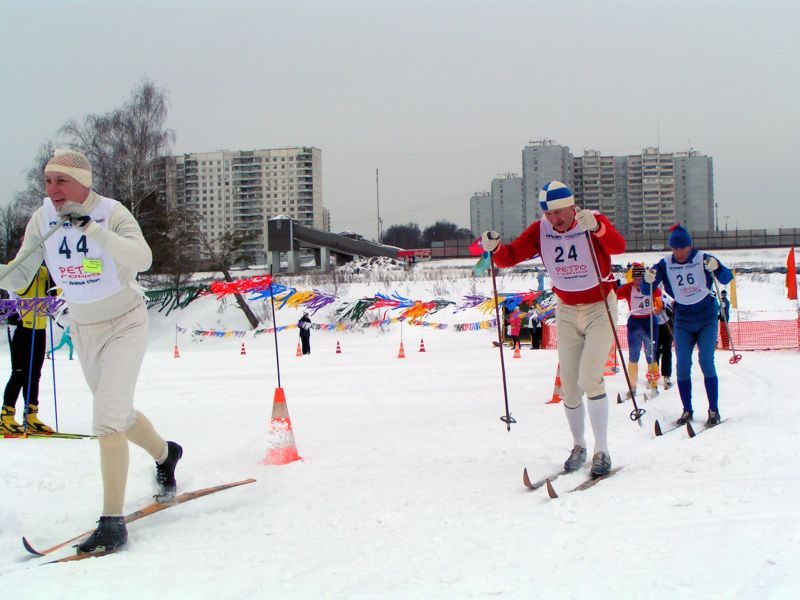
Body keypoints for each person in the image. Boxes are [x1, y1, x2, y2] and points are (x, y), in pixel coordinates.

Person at [0, 149, 182, 554]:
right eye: (47, 182)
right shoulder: (42, 218)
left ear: (83, 182)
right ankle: (167, 454)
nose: (52, 190)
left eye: (60, 181)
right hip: (84, 327)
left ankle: (112, 522)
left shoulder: (111, 212)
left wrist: (92, 229)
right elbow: (22, 273)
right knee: (117, 414)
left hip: (125, 323)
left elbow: (143, 258)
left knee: (106, 416)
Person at [482, 180, 625, 478]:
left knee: (590, 377)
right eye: (550, 214)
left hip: (600, 306)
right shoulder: (540, 229)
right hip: (567, 310)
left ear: (573, 207)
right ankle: (579, 445)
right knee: (569, 387)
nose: (556, 220)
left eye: (560, 213)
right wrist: (494, 248)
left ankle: (602, 449)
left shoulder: (591, 220)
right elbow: (510, 257)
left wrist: (598, 229)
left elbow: (618, 246)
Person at [642, 224, 733, 427]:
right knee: (682, 365)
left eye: (682, 248)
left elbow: (727, 278)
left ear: (689, 246)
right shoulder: (665, 264)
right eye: (675, 248)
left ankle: (713, 409)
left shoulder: (702, 258)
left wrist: (717, 267)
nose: (679, 253)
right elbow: (646, 288)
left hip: (706, 317)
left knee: (706, 360)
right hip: (683, 319)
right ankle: (687, 410)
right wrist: (646, 280)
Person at [1, 266, 54, 434]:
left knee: (35, 373)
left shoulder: (45, 271)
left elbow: (54, 291)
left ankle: (31, 415)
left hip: (39, 325)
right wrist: (34, 274)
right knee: (19, 372)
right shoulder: (19, 266)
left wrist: (52, 277)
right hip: (20, 323)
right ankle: (6, 416)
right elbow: (21, 289)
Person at [616, 263, 663, 396]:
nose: (638, 282)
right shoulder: (628, 288)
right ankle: (632, 387)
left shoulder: (650, 287)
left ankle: (653, 384)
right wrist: (615, 286)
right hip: (634, 323)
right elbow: (617, 294)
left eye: (640, 279)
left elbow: (658, 293)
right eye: (635, 279)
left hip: (649, 322)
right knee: (633, 355)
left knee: (651, 354)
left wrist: (651, 283)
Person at [655, 297, 675, 390]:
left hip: (666, 327)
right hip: (655, 327)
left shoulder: (665, 299)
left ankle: (666, 377)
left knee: (667, 352)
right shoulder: (648, 297)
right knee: (655, 352)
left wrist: (665, 308)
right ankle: (653, 376)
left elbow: (673, 314)